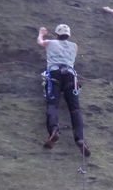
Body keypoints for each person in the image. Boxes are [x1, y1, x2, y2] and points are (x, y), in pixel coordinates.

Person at [37, 24, 90, 157]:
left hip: (55, 74)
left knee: (52, 105)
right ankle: (80, 139)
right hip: (71, 76)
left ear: (56, 34)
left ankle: (54, 129)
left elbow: (40, 42)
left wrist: (41, 33)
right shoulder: (74, 46)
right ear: (68, 35)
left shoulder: (50, 42)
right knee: (75, 109)